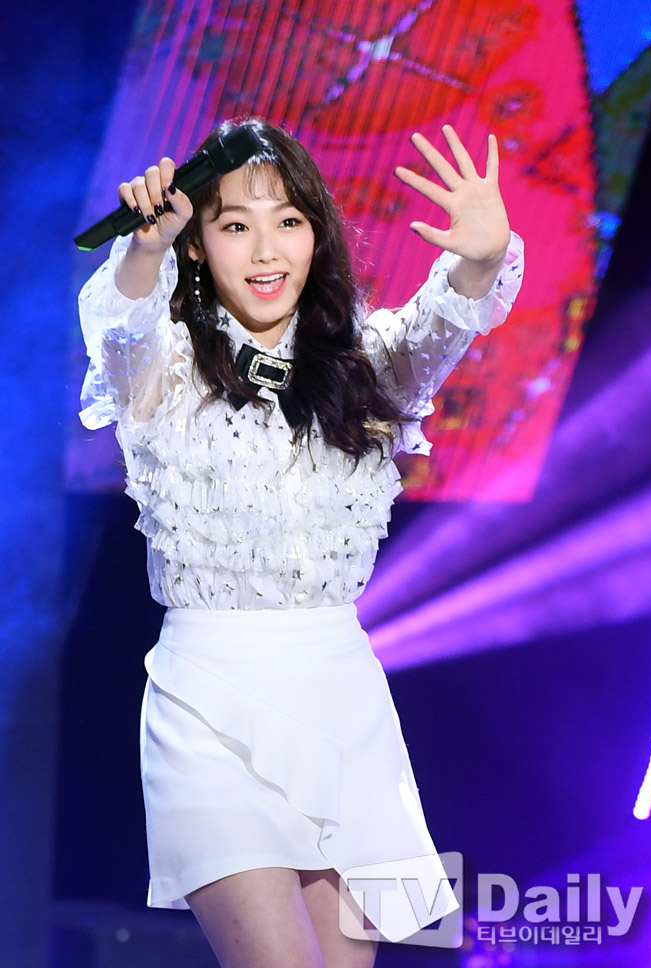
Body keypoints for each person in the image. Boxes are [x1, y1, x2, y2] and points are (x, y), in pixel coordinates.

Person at [78, 117, 524, 968]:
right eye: (235, 225)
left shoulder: (369, 364)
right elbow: (121, 333)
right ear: (198, 245)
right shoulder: (167, 369)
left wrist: (482, 257)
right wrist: (144, 249)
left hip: (340, 697)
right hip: (208, 701)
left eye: (287, 220)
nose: (266, 250)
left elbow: (448, 317)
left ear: (316, 233)